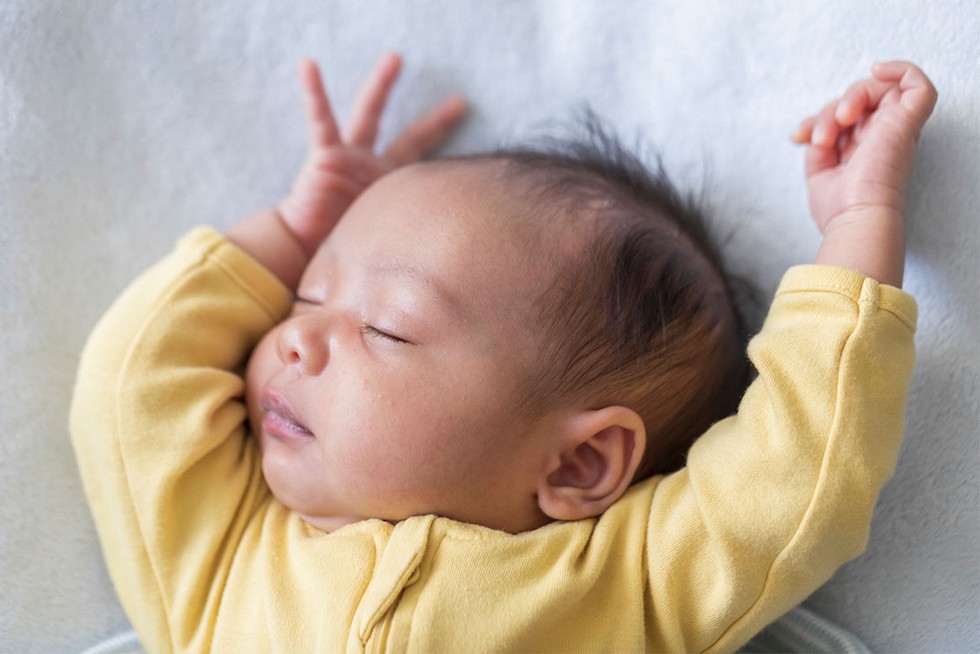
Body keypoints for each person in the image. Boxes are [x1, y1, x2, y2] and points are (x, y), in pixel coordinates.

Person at [70, 53, 936, 652]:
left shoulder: (619, 592)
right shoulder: (223, 561)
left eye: (388, 327)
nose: (296, 339)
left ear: (583, 460)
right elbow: (134, 387)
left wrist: (858, 229)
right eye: (308, 293)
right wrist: (288, 232)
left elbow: (796, 477)